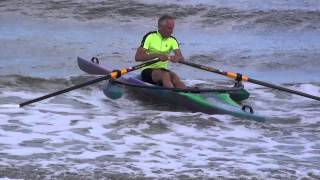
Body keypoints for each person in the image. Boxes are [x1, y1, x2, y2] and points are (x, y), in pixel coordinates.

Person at [135, 15, 186, 89]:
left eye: (172, 28)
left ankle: (188, 94)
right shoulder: (150, 37)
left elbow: (181, 58)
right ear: (160, 27)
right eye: (169, 28)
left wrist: (177, 58)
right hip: (148, 71)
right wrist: (156, 55)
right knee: (165, 74)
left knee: (175, 77)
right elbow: (138, 57)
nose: (171, 31)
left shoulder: (173, 40)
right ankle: (172, 94)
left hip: (163, 71)